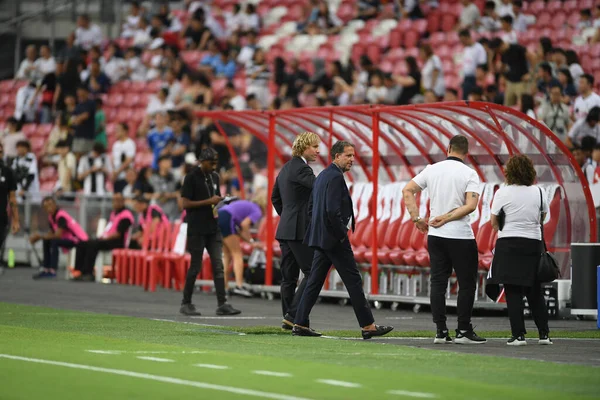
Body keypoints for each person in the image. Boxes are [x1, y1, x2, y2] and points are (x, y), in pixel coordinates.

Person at [292, 141, 393, 339]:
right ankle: (368, 325)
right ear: (336, 156)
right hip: (333, 239)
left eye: (353, 156)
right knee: (353, 280)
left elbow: (311, 208)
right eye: (348, 156)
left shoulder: (322, 176)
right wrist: (340, 233)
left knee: (314, 280)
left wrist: (319, 229)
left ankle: (299, 322)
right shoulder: (335, 177)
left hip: (322, 238)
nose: (352, 160)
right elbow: (331, 210)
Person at [402, 135, 486, 344]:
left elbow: (408, 190)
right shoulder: (470, 173)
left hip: (436, 236)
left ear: (448, 148)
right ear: (466, 152)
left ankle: (440, 330)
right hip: (460, 236)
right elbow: (471, 205)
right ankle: (463, 330)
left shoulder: (432, 169)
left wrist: (417, 219)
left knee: (438, 282)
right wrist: (447, 217)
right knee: (466, 284)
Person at [489, 155, 552, 346]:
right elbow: (543, 217)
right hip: (532, 243)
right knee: (534, 290)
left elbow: (494, 222)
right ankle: (544, 335)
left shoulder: (502, 192)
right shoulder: (539, 192)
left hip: (508, 243)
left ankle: (518, 335)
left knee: (513, 290)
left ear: (509, 172)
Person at [180, 147, 240, 316]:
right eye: (211, 163)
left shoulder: (214, 176)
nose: (214, 167)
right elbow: (185, 204)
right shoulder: (191, 177)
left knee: (218, 265)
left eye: (215, 163)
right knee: (195, 266)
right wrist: (209, 201)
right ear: (201, 161)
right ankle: (186, 302)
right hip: (197, 228)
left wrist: (222, 201)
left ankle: (222, 304)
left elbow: (214, 200)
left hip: (213, 228)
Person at [271, 132, 319, 330]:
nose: (318, 150)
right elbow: (319, 189)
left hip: (285, 229)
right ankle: (294, 316)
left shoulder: (284, 169)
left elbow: (275, 198)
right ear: (303, 148)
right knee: (311, 272)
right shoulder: (303, 170)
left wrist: (287, 218)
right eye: (314, 146)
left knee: (288, 277)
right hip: (299, 230)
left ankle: (288, 319)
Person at [73, 193, 134, 282]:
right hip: (108, 239)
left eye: (118, 200)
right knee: (83, 243)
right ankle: (79, 271)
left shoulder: (126, 215)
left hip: (117, 241)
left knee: (93, 245)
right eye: (114, 200)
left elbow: (118, 234)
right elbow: (109, 227)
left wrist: (105, 238)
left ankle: (88, 273)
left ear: (123, 202)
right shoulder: (114, 213)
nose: (115, 203)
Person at [30, 197, 88, 279]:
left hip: (79, 240)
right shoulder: (51, 217)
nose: (49, 208)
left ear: (55, 205)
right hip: (69, 239)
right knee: (46, 241)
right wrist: (41, 236)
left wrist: (39, 236)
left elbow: (58, 235)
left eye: (50, 205)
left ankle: (53, 270)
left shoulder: (61, 216)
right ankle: (46, 268)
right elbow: (51, 233)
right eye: (46, 207)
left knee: (54, 241)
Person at [218, 198, 265, 297]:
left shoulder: (248, 205)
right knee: (237, 254)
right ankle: (239, 286)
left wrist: (251, 242)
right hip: (227, 217)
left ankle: (224, 287)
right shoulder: (257, 210)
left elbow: (239, 231)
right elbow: (244, 225)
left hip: (219, 215)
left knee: (227, 256)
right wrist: (252, 242)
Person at [0, 143, 20, 274]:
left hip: (1, 216)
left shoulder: (7, 172)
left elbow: (12, 198)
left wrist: (16, 220)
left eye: (0, 152)